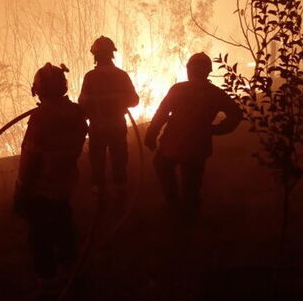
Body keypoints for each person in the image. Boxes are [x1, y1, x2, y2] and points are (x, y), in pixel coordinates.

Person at [14, 63, 88, 288]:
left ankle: (48, 286)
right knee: (65, 229)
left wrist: (20, 189)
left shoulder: (40, 118)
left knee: (40, 239)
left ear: (38, 90)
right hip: (64, 184)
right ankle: (71, 274)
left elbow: (30, 158)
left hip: (40, 190)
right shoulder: (77, 113)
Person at [145, 52, 243, 218]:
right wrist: (216, 129)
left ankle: (174, 207)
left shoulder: (178, 90)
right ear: (208, 71)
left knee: (163, 167)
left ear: (189, 70)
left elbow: (161, 114)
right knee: (191, 183)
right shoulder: (215, 93)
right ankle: (189, 217)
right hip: (198, 146)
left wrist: (151, 135)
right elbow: (236, 114)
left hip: (172, 144)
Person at [78, 36, 140, 196]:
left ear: (95, 55)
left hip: (97, 128)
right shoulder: (121, 75)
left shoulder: (90, 77)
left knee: (97, 162)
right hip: (117, 126)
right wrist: (119, 103)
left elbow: (82, 105)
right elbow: (134, 101)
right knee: (119, 160)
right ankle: (121, 192)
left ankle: (99, 196)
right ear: (112, 54)